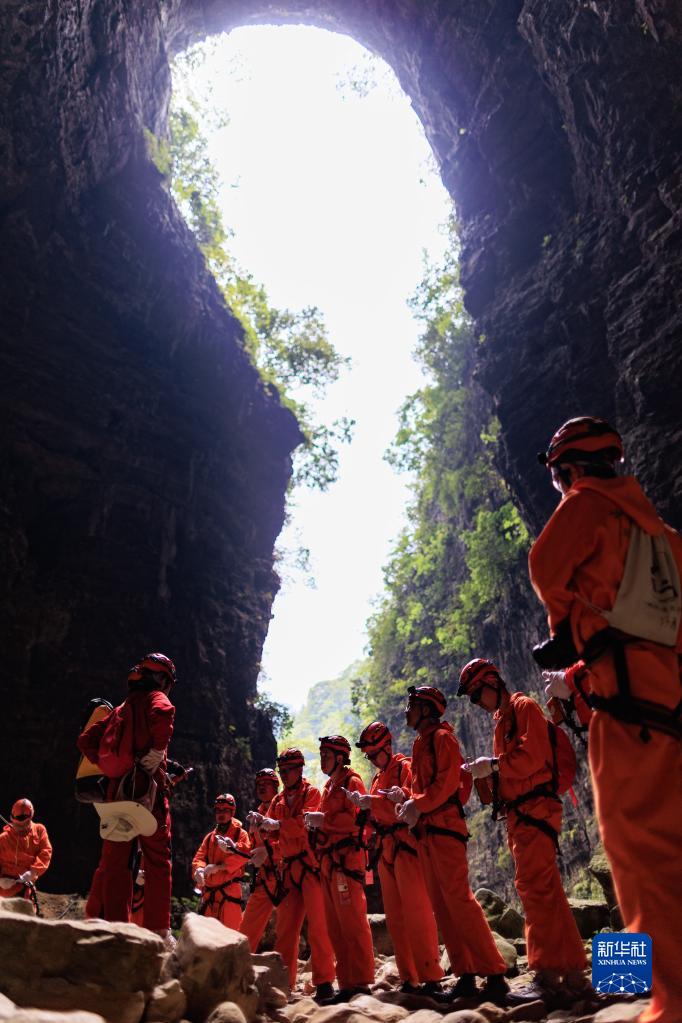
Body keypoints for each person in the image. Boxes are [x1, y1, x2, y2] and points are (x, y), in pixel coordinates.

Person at [529, 415, 682, 1023]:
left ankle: (655, 1000)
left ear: (569, 471)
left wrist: (569, 629)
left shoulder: (586, 506)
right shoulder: (666, 539)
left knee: (636, 860)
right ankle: (609, 984)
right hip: (661, 705)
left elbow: (545, 567)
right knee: (637, 859)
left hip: (625, 718)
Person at [458, 659, 588, 1001]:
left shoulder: (523, 707)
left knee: (533, 888)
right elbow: (512, 768)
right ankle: (574, 973)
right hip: (520, 814)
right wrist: (488, 775)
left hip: (535, 809)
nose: (477, 703)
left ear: (492, 683)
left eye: (477, 695)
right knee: (547, 890)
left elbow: (532, 757)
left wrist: (495, 765)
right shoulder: (502, 722)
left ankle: (545, 974)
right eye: (472, 699)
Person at [396, 685, 508, 1004]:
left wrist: (420, 804)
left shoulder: (443, 738)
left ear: (426, 710)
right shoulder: (420, 743)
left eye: (412, 706)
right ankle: (466, 975)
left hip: (445, 829)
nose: (407, 712)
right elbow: (428, 788)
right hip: (428, 832)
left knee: (458, 898)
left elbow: (446, 783)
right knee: (442, 905)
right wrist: (409, 803)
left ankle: (495, 974)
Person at [78, 652, 177, 945]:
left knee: (115, 863)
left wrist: (113, 767)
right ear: (163, 679)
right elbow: (165, 713)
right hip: (148, 792)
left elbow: (85, 740)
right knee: (158, 861)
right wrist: (154, 755)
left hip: (115, 794)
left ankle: (115, 929)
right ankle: (159, 931)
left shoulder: (119, 709)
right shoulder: (156, 699)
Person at [353, 721, 443, 994]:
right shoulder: (378, 778)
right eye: (367, 756)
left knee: (417, 911)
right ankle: (409, 978)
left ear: (387, 747)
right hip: (385, 849)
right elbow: (376, 813)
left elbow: (411, 800)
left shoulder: (404, 767)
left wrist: (396, 797)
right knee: (395, 917)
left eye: (373, 754)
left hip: (405, 846)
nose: (370, 760)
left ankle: (431, 976)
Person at [254, 747, 335, 1001]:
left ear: (299, 769)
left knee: (318, 927)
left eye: (288, 770)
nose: (284, 775)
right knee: (285, 929)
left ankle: (324, 982)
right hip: (288, 869)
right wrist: (261, 824)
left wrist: (278, 825)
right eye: (282, 771)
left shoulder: (312, 793)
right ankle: (284, 982)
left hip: (310, 867)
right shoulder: (278, 801)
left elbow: (306, 824)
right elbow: (271, 832)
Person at [305, 735, 374, 1003]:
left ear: (339, 757)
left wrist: (325, 820)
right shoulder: (329, 786)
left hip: (347, 861)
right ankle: (346, 983)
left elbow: (356, 821)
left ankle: (362, 982)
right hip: (330, 863)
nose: (322, 760)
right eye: (321, 755)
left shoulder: (351, 782)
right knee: (335, 925)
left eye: (326, 755)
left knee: (353, 922)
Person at [192, 793, 251, 929]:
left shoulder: (240, 834)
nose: (221, 813)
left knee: (230, 938)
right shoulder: (209, 838)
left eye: (225, 810)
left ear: (232, 812)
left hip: (229, 895)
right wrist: (199, 870)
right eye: (218, 810)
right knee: (207, 939)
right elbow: (199, 858)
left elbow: (246, 853)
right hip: (209, 896)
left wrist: (219, 867)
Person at [240, 768, 282, 951]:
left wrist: (270, 851)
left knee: (288, 928)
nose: (261, 788)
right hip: (263, 878)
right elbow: (252, 847)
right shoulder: (258, 813)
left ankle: (286, 973)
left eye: (266, 784)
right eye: (259, 785)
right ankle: (238, 967)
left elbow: (295, 840)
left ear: (275, 786)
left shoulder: (282, 807)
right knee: (247, 927)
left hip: (285, 876)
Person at [0, 799, 52, 910]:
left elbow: (46, 852)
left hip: (26, 888)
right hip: (4, 891)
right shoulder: (3, 839)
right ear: (12, 820)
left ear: (31, 818)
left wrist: (33, 872)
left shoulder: (39, 831)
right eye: (18, 826)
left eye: (24, 825)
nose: (21, 829)